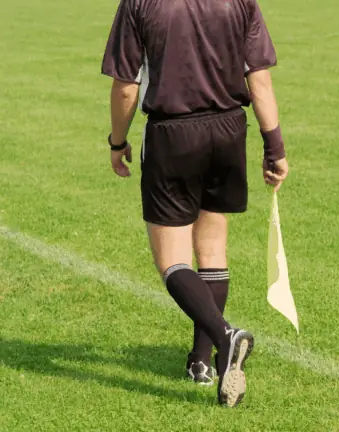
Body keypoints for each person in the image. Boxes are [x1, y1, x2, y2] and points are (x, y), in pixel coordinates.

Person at [100, 0, 289, 408]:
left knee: (171, 260)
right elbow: (259, 78)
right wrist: (274, 147)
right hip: (228, 130)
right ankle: (201, 364)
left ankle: (226, 338)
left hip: (173, 134)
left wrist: (117, 141)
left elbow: (126, 84)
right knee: (212, 250)